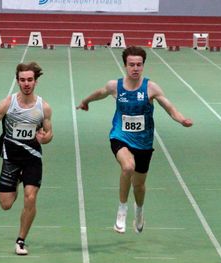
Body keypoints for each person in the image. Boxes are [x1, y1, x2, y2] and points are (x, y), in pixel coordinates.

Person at [76, 45, 193, 234]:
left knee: (139, 185)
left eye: (139, 65)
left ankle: (139, 211)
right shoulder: (116, 86)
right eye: (132, 65)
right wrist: (85, 102)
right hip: (120, 136)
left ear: (143, 66)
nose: (135, 68)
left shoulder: (151, 87)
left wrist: (181, 119)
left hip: (144, 143)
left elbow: (169, 107)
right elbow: (100, 93)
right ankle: (122, 209)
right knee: (127, 167)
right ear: (125, 65)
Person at [0, 62, 53, 255]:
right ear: (17, 81)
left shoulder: (43, 107)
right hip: (10, 159)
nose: (26, 83)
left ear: (36, 81)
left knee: (31, 197)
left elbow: (49, 133)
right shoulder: (7, 104)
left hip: (32, 158)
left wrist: (45, 138)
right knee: (6, 204)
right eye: (22, 80)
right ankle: (17, 179)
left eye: (30, 80)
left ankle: (21, 240)